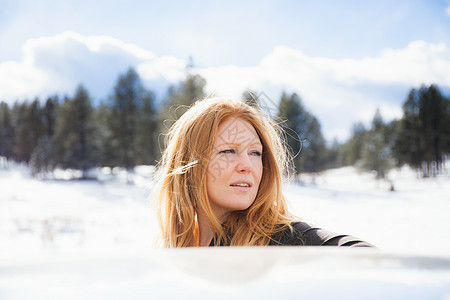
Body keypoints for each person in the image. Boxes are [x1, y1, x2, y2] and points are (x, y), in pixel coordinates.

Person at [156, 97, 374, 248]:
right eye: (228, 151)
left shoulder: (276, 238)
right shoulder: (173, 249)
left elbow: (359, 253)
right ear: (188, 164)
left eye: (255, 153)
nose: (247, 166)